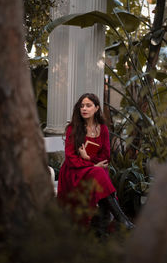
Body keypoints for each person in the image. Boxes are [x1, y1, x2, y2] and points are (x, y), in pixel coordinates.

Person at [57, 93, 134, 231]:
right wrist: (90, 162)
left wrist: (88, 158)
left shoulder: (103, 129)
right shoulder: (73, 128)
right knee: (98, 172)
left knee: (98, 172)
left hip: (93, 170)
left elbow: (105, 156)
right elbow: (70, 158)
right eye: (82, 106)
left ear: (97, 108)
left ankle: (109, 218)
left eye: (88, 105)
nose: (84, 109)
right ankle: (121, 219)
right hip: (74, 171)